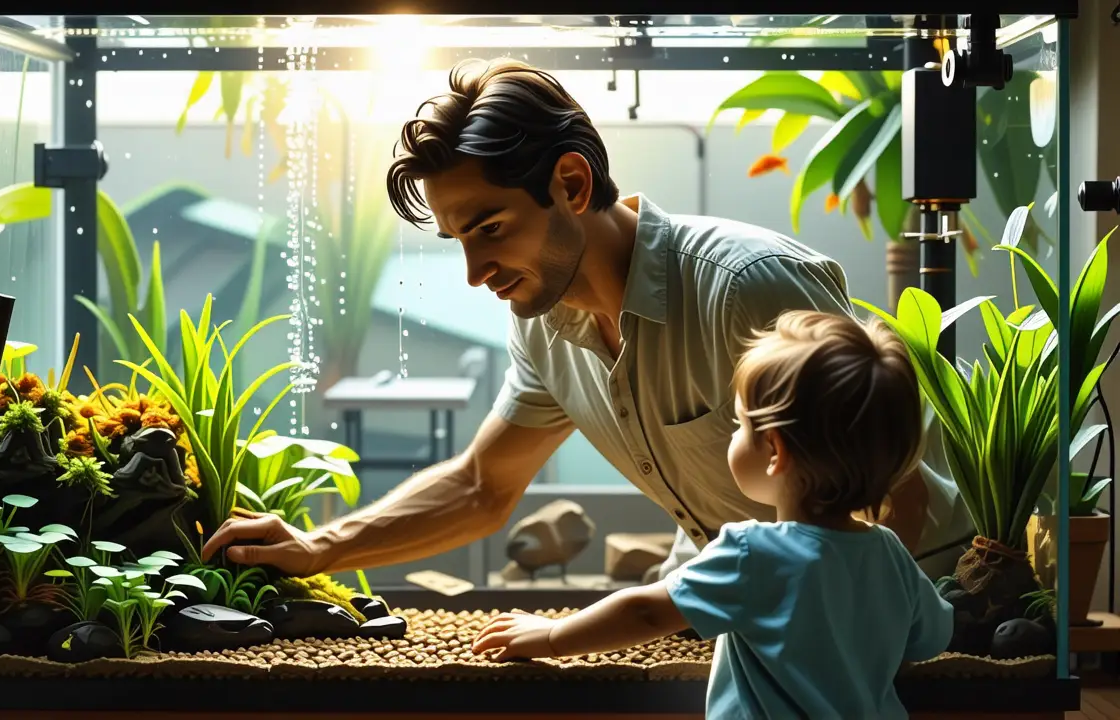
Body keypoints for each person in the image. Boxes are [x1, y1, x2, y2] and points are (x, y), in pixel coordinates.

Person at [201, 57, 973, 584]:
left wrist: (855, 642)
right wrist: (317, 548)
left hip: (906, 608)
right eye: (456, 240)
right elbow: (480, 487)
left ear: (571, 183)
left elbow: (893, 494)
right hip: (746, 607)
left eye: (490, 228)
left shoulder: (747, 289)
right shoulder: (543, 322)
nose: (474, 273)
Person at [472, 310, 955, 719]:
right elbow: (930, 638)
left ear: (774, 450)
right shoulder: (890, 554)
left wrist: (551, 636)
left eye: (739, 424)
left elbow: (644, 611)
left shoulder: (753, 551)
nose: (730, 437)